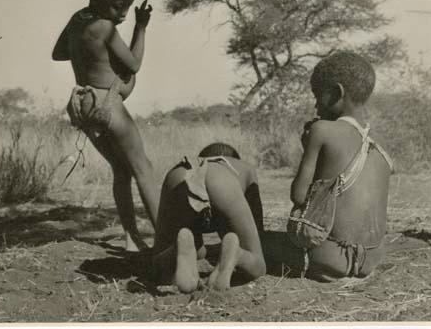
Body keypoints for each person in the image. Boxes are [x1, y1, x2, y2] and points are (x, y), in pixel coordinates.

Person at [52, 0, 159, 251]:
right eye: (117, 5)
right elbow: (134, 63)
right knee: (143, 168)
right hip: (107, 103)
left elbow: (58, 53)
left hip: (83, 103)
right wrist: (140, 27)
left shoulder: (79, 20)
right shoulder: (106, 28)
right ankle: (168, 239)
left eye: (128, 6)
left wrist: (89, 54)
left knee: (121, 170)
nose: (123, 12)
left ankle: (131, 238)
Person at [289, 51, 393, 280]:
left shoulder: (322, 130)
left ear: (337, 92)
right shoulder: (380, 144)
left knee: (260, 243)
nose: (316, 106)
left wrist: (308, 148)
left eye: (318, 96)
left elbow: (298, 196)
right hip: (371, 258)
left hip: (329, 257)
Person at [152, 142, 266, 292]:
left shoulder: (194, 164)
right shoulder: (244, 167)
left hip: (181, 173)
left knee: (159, 257)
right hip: (223, 182)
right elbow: (258, 232)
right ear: (234, 158)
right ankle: (237, 253)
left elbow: (163, 235)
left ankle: (176, 249)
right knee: (258, 264)